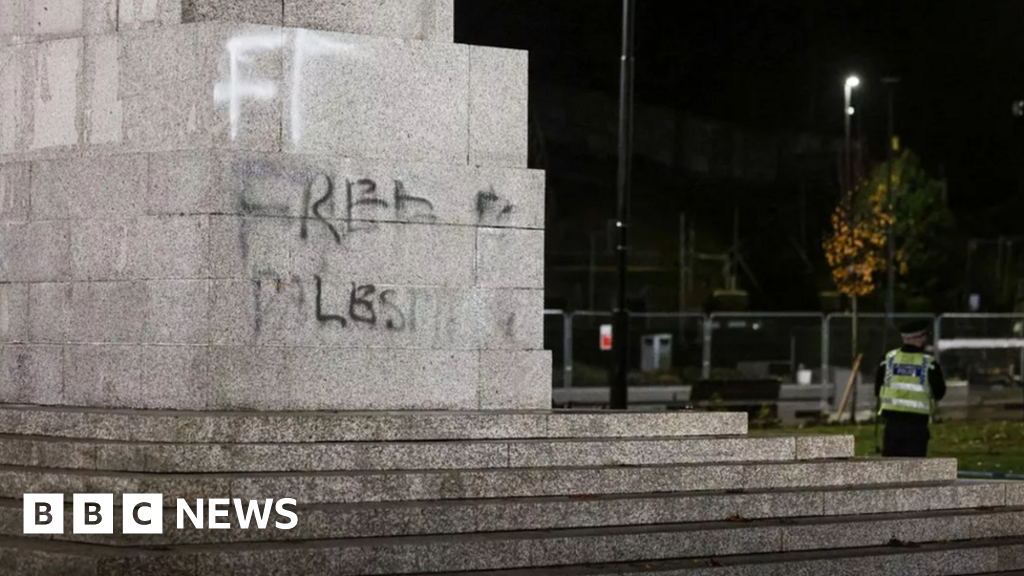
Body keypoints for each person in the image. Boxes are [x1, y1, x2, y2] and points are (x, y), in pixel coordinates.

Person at [874, 319, 947, 457]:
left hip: (892, 426)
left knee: (890, 470)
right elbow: (939, 392)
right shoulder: (929, 364)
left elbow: (878, 389)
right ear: (919, 338)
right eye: (924, 336)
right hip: (916, 427)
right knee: (914, 471)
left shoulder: (888, 359)